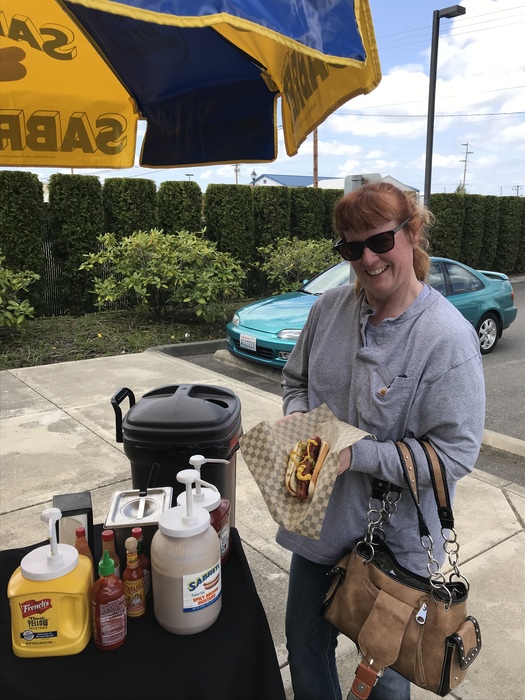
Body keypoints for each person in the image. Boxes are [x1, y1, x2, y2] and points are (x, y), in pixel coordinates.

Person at [276, 182, 485, 700]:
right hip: (319, 521)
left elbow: (456, 454)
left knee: (386, 675)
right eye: (351, 247)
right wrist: (299, 422)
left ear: (412, 234)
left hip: (398, 542)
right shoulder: (328, 310)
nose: (366, 260)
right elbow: (294, 381)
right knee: (303, 645)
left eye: (380, 242)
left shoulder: (446, 338)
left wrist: (356, 455)